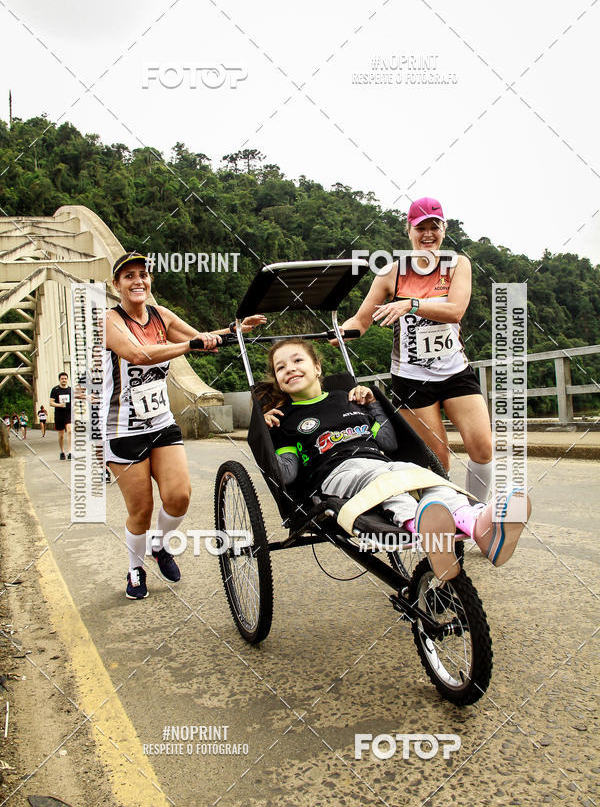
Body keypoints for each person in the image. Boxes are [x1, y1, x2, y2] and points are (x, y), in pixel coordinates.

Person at [261, 339, 530, 581]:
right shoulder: (285, 420)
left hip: (379, 461)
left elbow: (388, 442)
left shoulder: (348, 399)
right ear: (277, 379)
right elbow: (287, 474)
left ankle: (479, 526)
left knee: (422, 477)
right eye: (281, 368)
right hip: (335, 474)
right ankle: (420, 525)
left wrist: (373, 404)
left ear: (317, 367)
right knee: (384, 483)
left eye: (298, 360)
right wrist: (267, 436)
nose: (290, 369)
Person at [104, 252, 266, 600]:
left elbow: (202, 340)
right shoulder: (110, 321)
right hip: (123, 428)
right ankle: (135, 570)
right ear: (116, 285)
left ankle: (160, 546)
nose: (138, 282)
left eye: (143, 275)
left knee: (178, 498)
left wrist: (234, 331)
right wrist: (187, 346)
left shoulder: (162, 316)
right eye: (128, 276)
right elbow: (138, 354)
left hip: (161, 422)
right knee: (141, 510)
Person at [340, 196, 493, 504]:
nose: (427, 234)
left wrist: (410, 304)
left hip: (454, 371)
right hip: (411, 378)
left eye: (434, 227)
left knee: (482, 446)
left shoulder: (457, 264)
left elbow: (455, 311)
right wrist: (340, 333)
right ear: (408, 231)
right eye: (420, 228)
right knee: (437, 459)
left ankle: (475, 513)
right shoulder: (391, 274)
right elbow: (362, 319)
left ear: (444, 229)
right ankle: (450, 521)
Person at [49, 372, 72, 460]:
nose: (64, 380)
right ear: (59, 379)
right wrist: (59, 405)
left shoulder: (70, 390)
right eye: (62, 379)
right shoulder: (55, 390)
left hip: (69, 413)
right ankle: (62, 451)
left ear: (67, 379)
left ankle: (70, 452)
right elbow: (51, 402)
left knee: (70, 430)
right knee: (61, 434)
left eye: (65, 378)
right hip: (59, 413)